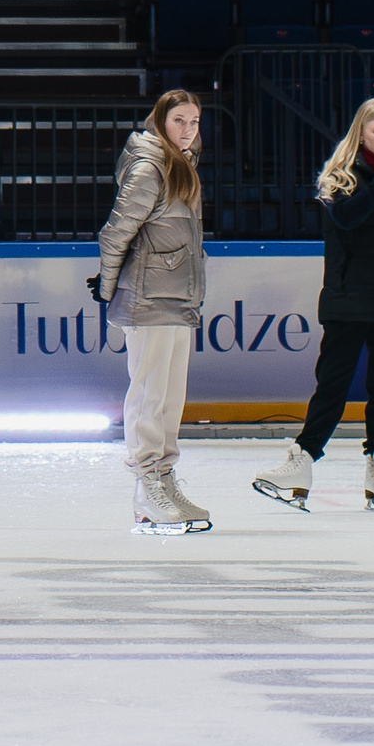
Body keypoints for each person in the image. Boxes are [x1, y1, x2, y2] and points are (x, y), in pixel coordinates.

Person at [253, 97, 374, 514]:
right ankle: (301, 461)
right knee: (332, 387)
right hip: (348, 300)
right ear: (361, 133)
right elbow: (350, 217)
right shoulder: (340, 177)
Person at [89, 89, 212, 535]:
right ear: (160, 122)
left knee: (170, 399)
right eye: (179, 120)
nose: (188, 129)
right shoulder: (149, 168)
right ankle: (146, 489)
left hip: (178, 299)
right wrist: (108, 288)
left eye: (194, 121)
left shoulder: (182, 167)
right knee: (150, 396)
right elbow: (115, 233)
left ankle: (164, 478)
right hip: (149, 298)